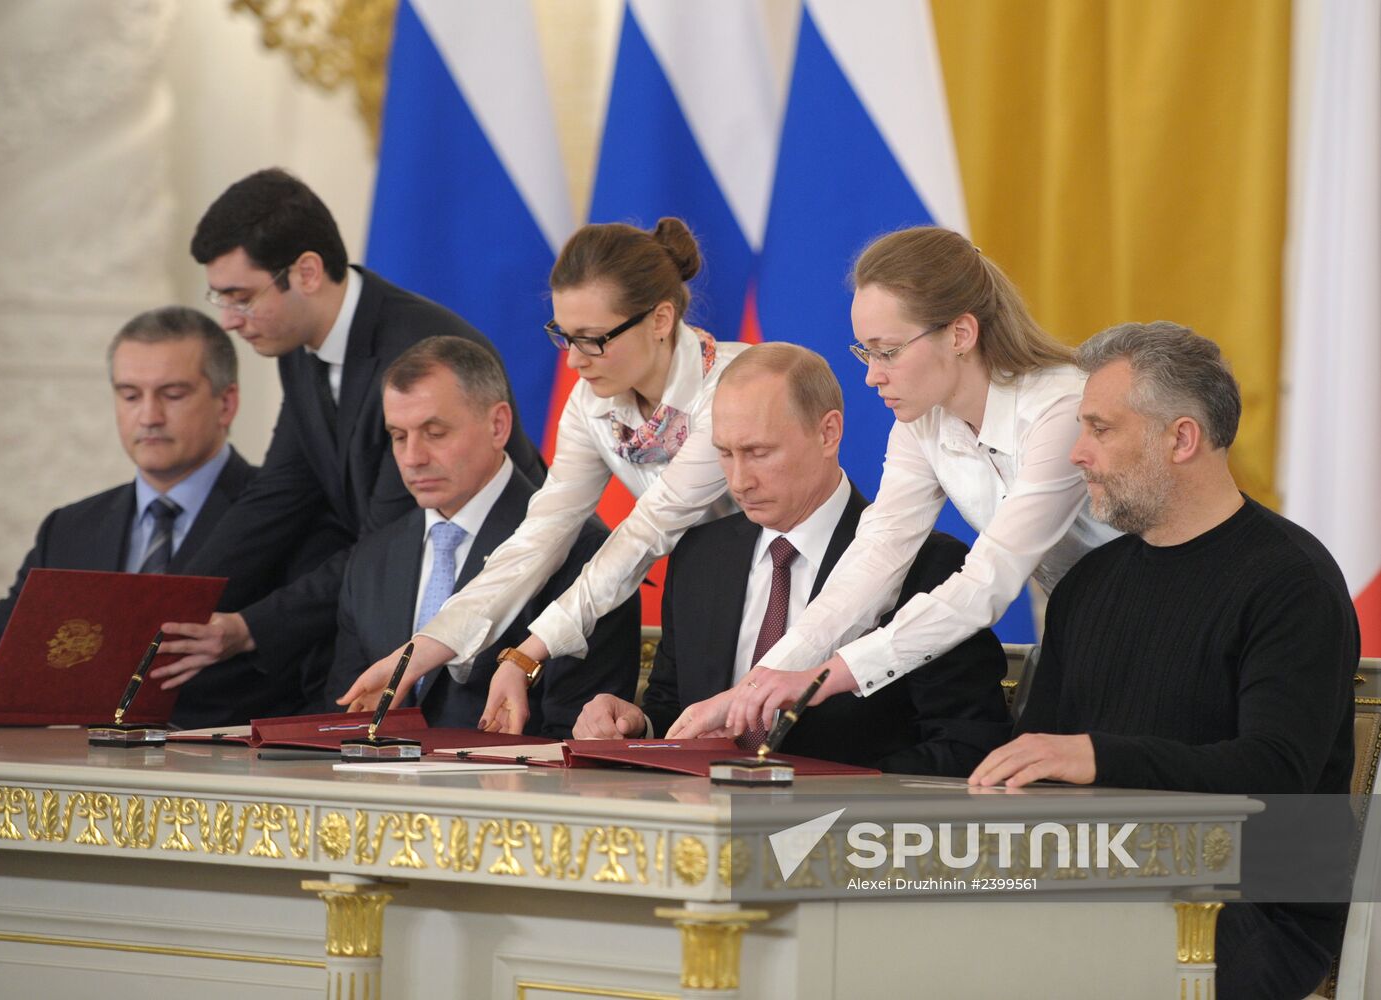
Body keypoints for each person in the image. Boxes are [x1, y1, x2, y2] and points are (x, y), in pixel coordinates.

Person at [968, 322, 1357, 1000]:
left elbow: (1273, 774)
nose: (1076, 454)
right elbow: (1034, 759)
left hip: (1251, 906)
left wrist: (1097, 757)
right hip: (1097, 879)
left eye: (1099, 429)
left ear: (1180, 439)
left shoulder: (1290, 582)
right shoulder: (1087, 584)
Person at [669, 226, 1118, 739]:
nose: (871, 377)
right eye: (866, 353)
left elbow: (986, 583)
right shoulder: (922, 420)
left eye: (887, 352)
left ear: (961, 334)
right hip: (1085, 622)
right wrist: (756, 688)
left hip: (1167, 609)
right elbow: (876, 558)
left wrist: (825, 677)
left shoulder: (1060, 408)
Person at [151, 168, 544, 707]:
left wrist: (248, 627)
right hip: (376, 605)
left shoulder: (419, 351)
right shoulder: (299, 346)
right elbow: (278, 498)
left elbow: (387, 544)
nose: (229, 322)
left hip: (485, 611)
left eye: (240, 298)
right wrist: (162, 607)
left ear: (307, 272)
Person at [339, 218, 748, 731]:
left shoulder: (735, 388)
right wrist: (419, 652)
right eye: (564, 336)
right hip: (706, 597)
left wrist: (526, 654)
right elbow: (539, 537)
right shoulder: (590, 403)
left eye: (593, 339)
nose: (575, 360)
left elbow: (646, 532)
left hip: (785, 590)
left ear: (661, 318)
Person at [573, 344, 1010, 774]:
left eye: (759, 452)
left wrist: (800, 787)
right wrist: (637, 726)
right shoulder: (700, 556)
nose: (739, 481)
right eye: (725, 454)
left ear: (828, 433)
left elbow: (967, 746)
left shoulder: (927, 565)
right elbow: (674, 713)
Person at [0, 307, 314, 725]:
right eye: (130, 395)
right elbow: (5, 646)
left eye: (172, 394)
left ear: (226, 403)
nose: (149, 416)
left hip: (226, 774)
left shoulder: (287, 515)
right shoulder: (70, 528)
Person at [325, 337, 639, 735]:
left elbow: (577, 734)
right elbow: (340, 718)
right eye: (399, 436)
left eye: (434, 432)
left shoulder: (583, 550)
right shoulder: (372, 556)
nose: (412, 457)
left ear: (498, 425)